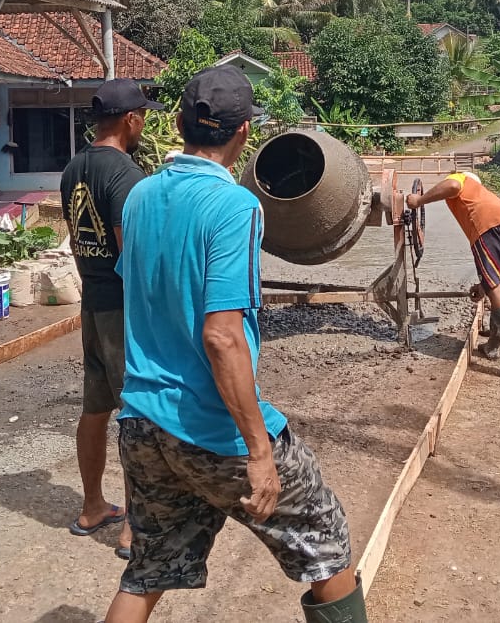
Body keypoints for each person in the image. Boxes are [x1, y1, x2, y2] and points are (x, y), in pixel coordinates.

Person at [103, 66, 365, 623]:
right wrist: (260, 450)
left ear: (177, 124)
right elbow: (222, 337)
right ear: (245, 134)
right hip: (210, 426)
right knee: (326, 543)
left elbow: (143, 290)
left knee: (147, 570)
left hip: (142, 423)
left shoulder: (140, 196)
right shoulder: (236, 207)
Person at [59, 78, 162, 560]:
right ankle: (133, 530)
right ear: (130, 120)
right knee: (137, 414)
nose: (145, 124)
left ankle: (92, 506)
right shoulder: (126, 174)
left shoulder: (73, 168)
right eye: (144, 116)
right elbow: (130, 248)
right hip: (122, 308)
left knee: (96, 408)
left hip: (92, 301)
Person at [407, 170, 500, 374]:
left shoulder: (461, 179)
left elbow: (453, 186)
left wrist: (418, 200)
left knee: (495, 286)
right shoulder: (484, 195)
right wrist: (482, 286)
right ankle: (493, 346)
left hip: (489, 225)